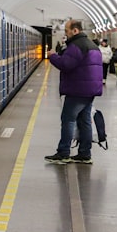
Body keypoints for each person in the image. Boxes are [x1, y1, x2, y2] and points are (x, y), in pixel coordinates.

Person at [44, 19, 103, 164]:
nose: (66, 34)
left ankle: (63, 152)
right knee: (84, 121)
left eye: (67, 31)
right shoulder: (93, 45)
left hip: (77, 90)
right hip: (90, 90)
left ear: (75, 30)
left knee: (68, 119)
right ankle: (84, 154)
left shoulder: (76, 46)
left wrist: (52, 56)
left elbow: (66, 64)